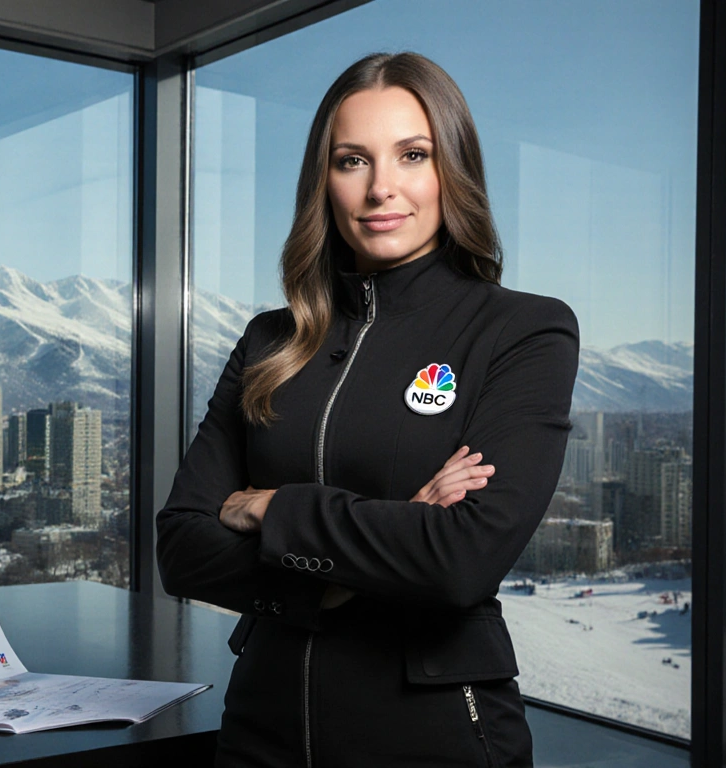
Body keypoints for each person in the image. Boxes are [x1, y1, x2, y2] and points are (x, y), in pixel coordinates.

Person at [156, 51, 579, 768]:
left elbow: (460, 561)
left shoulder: (524, 331)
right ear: (324, 182)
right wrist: (349, 574)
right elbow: (180, 549)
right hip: (264, 733)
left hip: (437, 737)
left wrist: (271, 509)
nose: (382, 188)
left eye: (413, 155)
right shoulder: (271, 339)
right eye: (352, 161)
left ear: (453, 170)